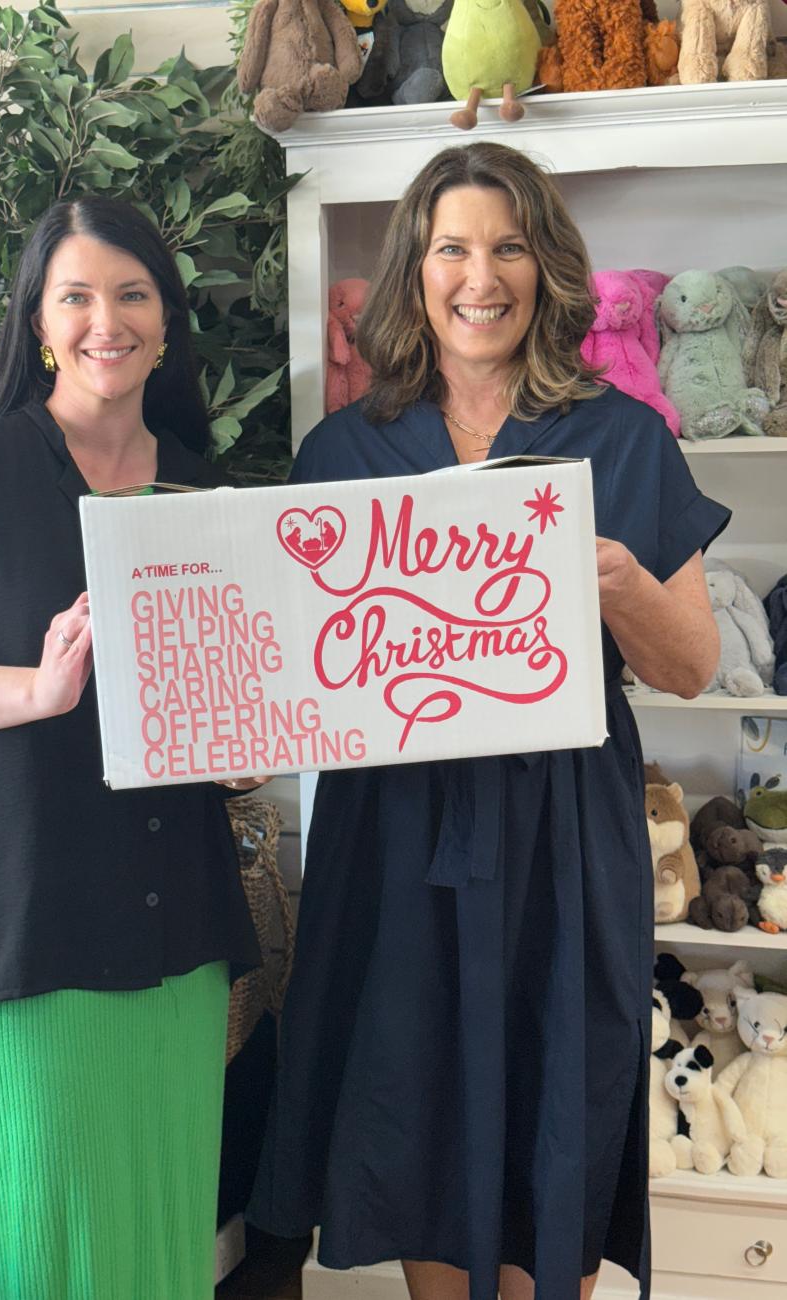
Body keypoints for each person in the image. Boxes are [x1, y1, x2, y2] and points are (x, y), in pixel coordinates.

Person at [247, 142, 727, 1300]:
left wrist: (614, 578)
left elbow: (696, 667)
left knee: (550, 1096)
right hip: (395, 834)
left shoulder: (620, 437)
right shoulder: (344, 453)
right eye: (453, 247)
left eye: (508, 246)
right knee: (412, 1105)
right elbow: (296, 668)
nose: (481, 275)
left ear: (546, 267)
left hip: (559, 834)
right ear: (416, 270)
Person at [0, 196, 262, 1300]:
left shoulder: (203, 491)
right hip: (12, 934)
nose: (106, 320)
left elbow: (225, 701)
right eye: (76, 295)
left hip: (167, 936)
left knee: (155, 1245)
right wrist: (40, 690)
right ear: (39, 321)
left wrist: (247, 739)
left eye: (133, 293)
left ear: (167, 324)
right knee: (31, 1246)